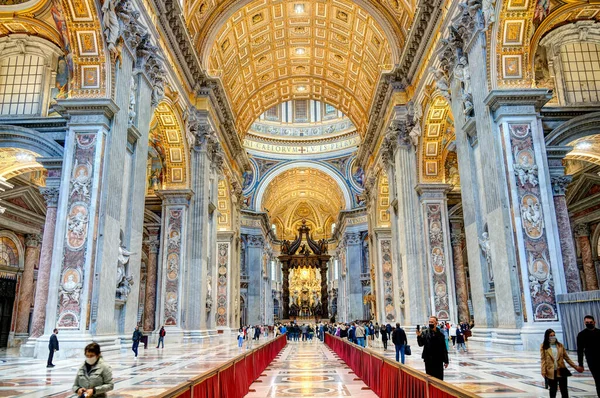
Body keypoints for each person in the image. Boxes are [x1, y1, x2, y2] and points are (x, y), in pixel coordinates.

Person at [541, 328, 583, 398]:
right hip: (551, 371)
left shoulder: (560, 345)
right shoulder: (543, 346)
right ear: (547, 336)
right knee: (553, 390)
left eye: (554, 335)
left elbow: (567, 358)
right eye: (551, 335)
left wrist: (576, 367)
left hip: (561, 370)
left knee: (564, 390)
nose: (552, 337)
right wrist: (543, 371)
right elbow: (543, 359)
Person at [417, 316, 449, 380]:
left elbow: (444, 348)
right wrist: (419, 336)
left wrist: (446, 360)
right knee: (430, 378)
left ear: (436, 323)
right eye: (429, 322)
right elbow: (421, 344)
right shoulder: (425, 333)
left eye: (432, 322)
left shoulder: (440, 334)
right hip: (429, 359)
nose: (430, 323)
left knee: (439, 378)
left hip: (438, 359)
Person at [577, 315, 600, 396]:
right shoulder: (581, 335)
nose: (589, 324)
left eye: (590, 322)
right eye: (587, 323)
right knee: (598, 380)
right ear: (584, 323)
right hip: (592, 361)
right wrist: (580, 364)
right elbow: (580, 351)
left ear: (594, 322)